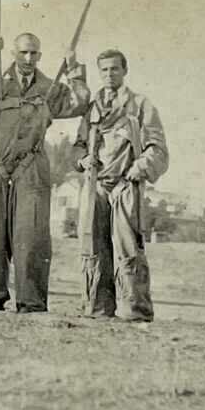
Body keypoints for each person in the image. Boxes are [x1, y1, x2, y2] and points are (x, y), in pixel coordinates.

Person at [0, 33, 90, 312]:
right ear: (14, 55)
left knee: (31, 235)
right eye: (23, 53)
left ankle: (31, 300)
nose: (28, 59)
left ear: (40, 56)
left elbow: (80, 103)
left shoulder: (51, 87)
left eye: (34, 54)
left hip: (31, 166)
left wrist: (74, 70)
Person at [72, 50, 168, 322]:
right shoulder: (92, 108)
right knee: (92, 246)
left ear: (124, 71)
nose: (109, 75)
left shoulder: (140, 105)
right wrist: (82, 160)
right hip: (96, 185)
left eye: (114, 69)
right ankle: (97, 308)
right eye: (104, 70)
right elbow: (77, 146)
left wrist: (138, 169)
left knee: (128, 247)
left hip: (126, 185)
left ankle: (135, 310)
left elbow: (157, 148)